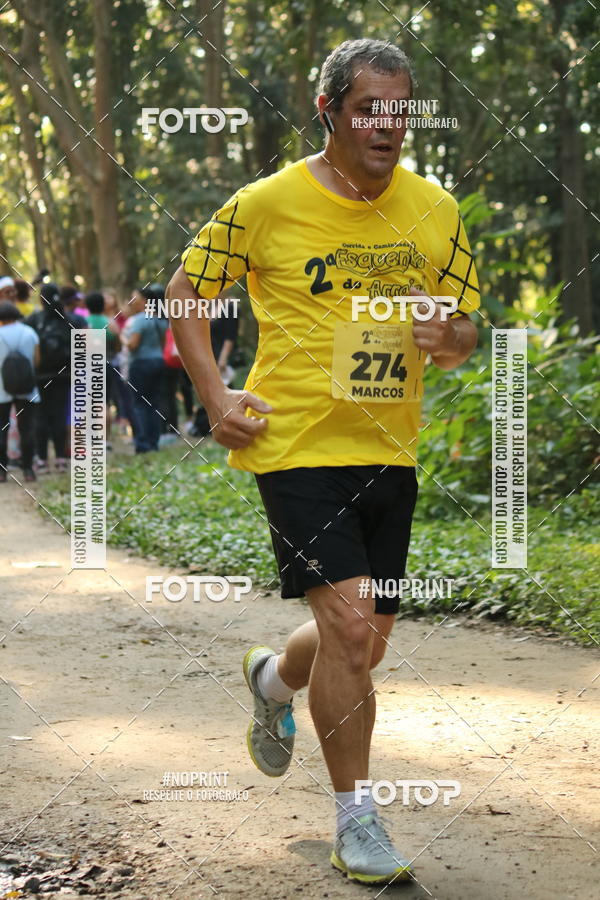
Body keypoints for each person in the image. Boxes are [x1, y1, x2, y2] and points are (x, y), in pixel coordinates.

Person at [167, 38, 480, 885]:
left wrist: (447, 335)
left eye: (401, 109)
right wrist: (214, 395)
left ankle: (271, 680)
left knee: (365, 641)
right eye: (370, 108)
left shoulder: (434, 209)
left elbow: (464, 332)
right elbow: (185, 293)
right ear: (330, 111)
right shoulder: (265, 203)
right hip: (294, 443)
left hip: (389, 446)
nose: (388, 125)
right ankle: (359, 826)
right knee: (349, 624)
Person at [27, 283, 80, 473]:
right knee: (59, 415)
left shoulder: (33, 320)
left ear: (41, 299)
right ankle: (60, 459)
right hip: (63, 376)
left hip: (39, 376)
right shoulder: (71, 320)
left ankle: (41, 459)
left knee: (40, 416)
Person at [0, 301, 40, 482]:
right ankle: (28, 470)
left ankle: (2, 471)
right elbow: (37, 360)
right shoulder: (30, 333)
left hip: (2, 390)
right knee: (27, 428)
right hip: (27, 388)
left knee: (2, 429)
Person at [126, 284, 167, 453]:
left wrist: (124, 341)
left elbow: (133, 345)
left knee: (139, 403)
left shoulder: (140, 320)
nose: (131, 302)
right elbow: (163, 343)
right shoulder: (159, 319)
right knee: (154, 403)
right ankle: (154, 441)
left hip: (141, 363)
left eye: (135, 298)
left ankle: (142, 443)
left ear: (144, 301)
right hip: (158, 361)